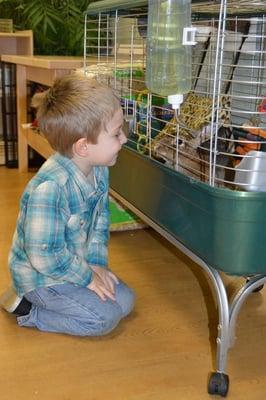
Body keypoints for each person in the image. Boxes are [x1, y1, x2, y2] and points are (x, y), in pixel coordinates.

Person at [0, 73, 135, 336]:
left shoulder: (99, 170)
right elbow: (44, 257)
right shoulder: (50, 189)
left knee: (126, 302)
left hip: (73, 265)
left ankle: (77, 290)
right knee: (101, 320)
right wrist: (86, 277)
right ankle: (26, 308)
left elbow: (99, 223)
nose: (124, 139)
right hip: (41, 278)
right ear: (83, 147)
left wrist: (96, 264)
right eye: (117, 133)